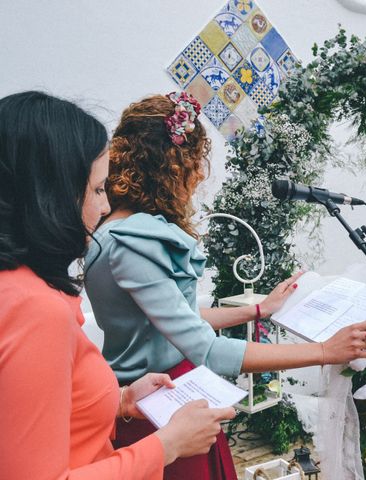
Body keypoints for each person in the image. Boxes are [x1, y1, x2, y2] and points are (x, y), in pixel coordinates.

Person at [83, 92, 366, 480]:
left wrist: (258, 310)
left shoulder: (121, 231)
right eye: (195, 164)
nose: (198, 177)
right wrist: (326, 350)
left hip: (171, 390)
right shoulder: (132, 243)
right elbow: (206, 348)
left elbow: (178, 317)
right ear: (175, 166)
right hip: (155, 404)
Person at [0, 91, 236, 479]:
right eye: (96, 190)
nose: (106, 207)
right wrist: (166, 445)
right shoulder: (34, 309)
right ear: (49, 196)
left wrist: (121, 400)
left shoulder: (22, 286)